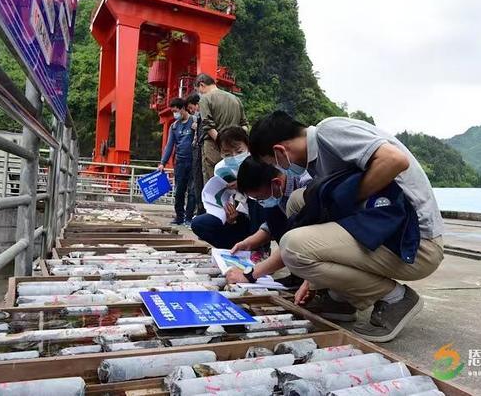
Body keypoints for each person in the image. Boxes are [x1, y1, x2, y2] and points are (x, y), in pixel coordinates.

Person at [249, 111, 445, 342]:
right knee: (299, 202)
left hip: (413, 242)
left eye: (273, 163)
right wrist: (312, 280)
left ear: (280, 151)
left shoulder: (329, 132)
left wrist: (346, 202)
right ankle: (340, 298)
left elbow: (395, 160)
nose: (279, 169)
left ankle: (396, 298)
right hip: (385, 228)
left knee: (293, 247)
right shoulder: (317, 161)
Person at [224, 157, 310, 288]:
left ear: (276, 183)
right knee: (271, 210)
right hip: (301, 237)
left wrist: (250, 274)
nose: (260, 202)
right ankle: (299, 276)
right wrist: (249, 243)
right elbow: (273, 225)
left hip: (321, 241)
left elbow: (297, 242)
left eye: (259, 198)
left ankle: (310, 279)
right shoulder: (277, 191)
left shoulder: (305, 188)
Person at [190, 127, 264, 249]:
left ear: (248, 147)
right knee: (199, 223)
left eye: (239, 152)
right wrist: (229, 216)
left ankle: (260, 249)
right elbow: (224, 197)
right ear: (220, 152)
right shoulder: (220, 169)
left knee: (254, 199)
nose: (234, 157)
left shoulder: (258, 162)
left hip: (259, 215)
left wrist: (244, 186)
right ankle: (233, 249)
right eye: (227, 154)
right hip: (239, 217)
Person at [194, 73, 248, 183]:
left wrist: (222, 142)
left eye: (197, 90)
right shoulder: (235, 98)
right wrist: (236, 140)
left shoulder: (205, 100)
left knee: (213, 182)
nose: (199, 93)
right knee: (235, 181)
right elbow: (245, 125)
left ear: (202, 85)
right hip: (236, 150)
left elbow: (208, 125)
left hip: (213, 147)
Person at [158, 98, 196, 226]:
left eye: (176, 111)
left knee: (192, 191)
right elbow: (170, 145)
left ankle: (189, 218)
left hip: (193, 161)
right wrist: (163, 162)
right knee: (179, 190)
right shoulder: (174, 126)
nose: (175, 114)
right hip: (180, 161)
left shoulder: (194, 121)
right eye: (173, 111)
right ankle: (179, 216)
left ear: (183, 109)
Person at [186, 92, 205, 216]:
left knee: (199, 184)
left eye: (192, 108)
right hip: (196, 154)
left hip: (202, 154)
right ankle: (198, 210)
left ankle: (201, 210)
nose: (192, 111)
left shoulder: (203, 117)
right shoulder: (196, 119)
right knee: (194, 186)